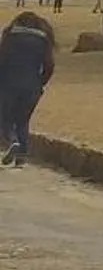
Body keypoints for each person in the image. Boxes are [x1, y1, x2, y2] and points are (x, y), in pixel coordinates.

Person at [1, 11, 55, 168]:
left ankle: (12, 141)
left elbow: (1, 61)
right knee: (23, 120)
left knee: (5, 118)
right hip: (32, 86)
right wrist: (40, 83)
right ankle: (21, 156)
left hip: (9, 85)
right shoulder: (43, 40)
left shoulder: (10, 37)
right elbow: (49, 66)